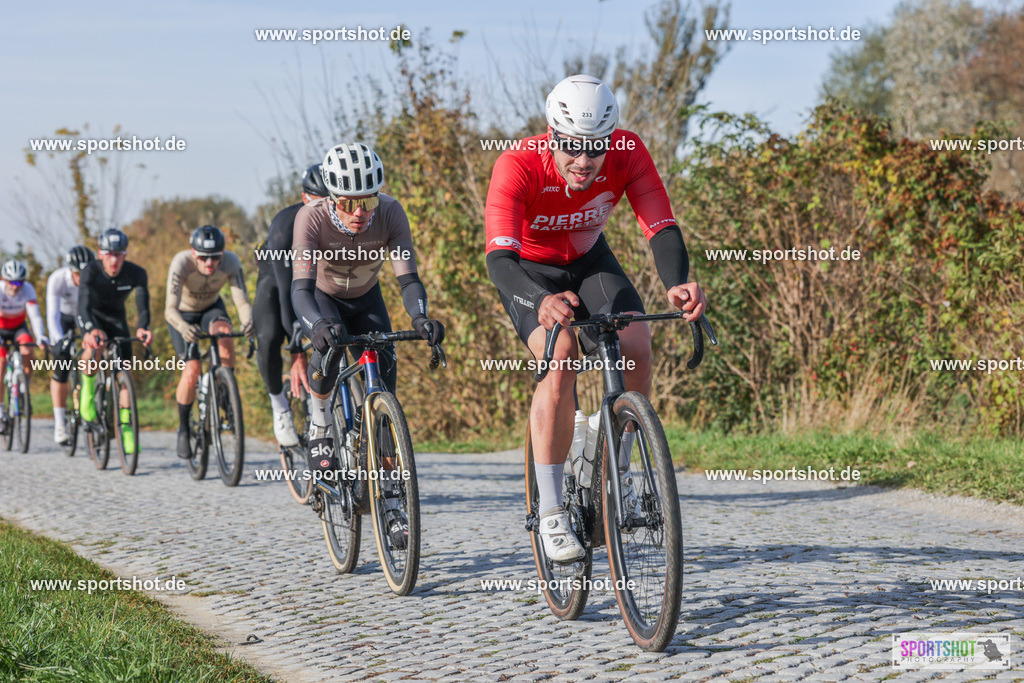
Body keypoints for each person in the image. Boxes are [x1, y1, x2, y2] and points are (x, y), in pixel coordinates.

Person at [484, 74, 708, 562]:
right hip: (528, 274)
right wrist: (538, 300)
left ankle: (615, 473)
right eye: (571, 146)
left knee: (637, 343)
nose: (583, 161)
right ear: (551, 134)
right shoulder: (517, 164)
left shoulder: (629, 151)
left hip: (589, 262)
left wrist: (678, 282)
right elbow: (498, 261)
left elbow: (661, 226)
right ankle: (550, 511)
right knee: (561, 354)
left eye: (596, 148)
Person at [291, 142, 445, 547]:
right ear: (331, 198)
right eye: (348, 203)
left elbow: (408, 280)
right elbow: (300, 290)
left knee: (385, 388)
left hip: (366, 299)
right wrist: (317, 324)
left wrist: (420, 318)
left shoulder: (392, 212)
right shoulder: (310, 218)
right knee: (327, 349)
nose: (360, 212)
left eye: (368, 200)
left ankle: (391, 499)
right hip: (323, 297)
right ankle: (321, 422)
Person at [253, 164, 328, 447]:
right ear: (304, 197)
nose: (325, 209)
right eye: (317, 202)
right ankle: (280, 406)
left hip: (316, 277)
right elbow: (288, 293)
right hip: (277, 277)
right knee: (270, 336)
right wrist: (296, 351)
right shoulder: (285, 226)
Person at [166, 225, 253, 459]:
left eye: (215, 257)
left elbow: (242, 302)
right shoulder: (181, 263)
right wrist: (183, 328)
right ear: (193, 253)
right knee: (192, 369)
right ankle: (184, 428)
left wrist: (248, 324)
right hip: (182, 315)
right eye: (203, 258)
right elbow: (169, 309)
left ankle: (225, 395)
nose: (210, 263)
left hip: (211, 308)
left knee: (225, 333)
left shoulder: (231, 262)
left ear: (222, 254)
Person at [77, 229, 153, 456]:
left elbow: (143, 305)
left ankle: (126, 428)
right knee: (96, 345)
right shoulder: (90, 271)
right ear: (100, 254)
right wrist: (89, 330)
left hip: (117, 320)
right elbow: (82, 306)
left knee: (125, 372)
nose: (114, 260)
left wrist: (143, 327)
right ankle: (88, 390)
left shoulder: (136, 273)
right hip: (93, 317)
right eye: (109, 255)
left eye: (118, 255)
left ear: (125, 255)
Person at [47, 245, 95, 444]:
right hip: (64, 319)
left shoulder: (95, 277)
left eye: (85, 273)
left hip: (86, 316)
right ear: (70, 270)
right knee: (62, 366)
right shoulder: (57, 279)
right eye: (77, 273)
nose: (81, 278)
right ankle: (59, 425)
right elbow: (52, 314)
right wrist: (58, 340)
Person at [0, 259, 48, 434]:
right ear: (4, 280)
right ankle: (0, 412)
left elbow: (35, 316)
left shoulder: (28, 289)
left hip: (19, 327)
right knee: (1, 365)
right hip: (1, 328)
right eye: (11, 282)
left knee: (28, 350)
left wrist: (40, 336)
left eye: (19, 283)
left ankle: (22, 390)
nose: (15, 287)